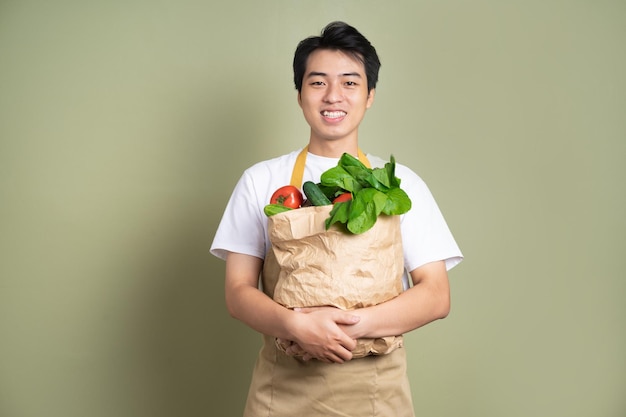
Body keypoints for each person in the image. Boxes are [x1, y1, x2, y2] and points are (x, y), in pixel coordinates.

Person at [211, 21, 463, 417]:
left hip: (377, 393)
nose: (333, 96)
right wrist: (297, 328)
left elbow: (436, 295)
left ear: (370, 95)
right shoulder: (261, 181)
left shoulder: (399, 184)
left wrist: (352, 325)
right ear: (299, 95)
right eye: (317, 82)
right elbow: (238, 293)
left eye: (349, 83)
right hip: (282, 392)